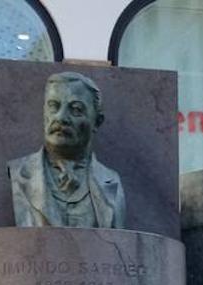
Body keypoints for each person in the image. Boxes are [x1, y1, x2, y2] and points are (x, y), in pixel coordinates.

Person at [7, 72, 125, 229]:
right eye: (53, 107)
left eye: (76, 110)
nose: (61, 117)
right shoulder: (19, 172)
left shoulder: (112, 183)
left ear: (97, 122)